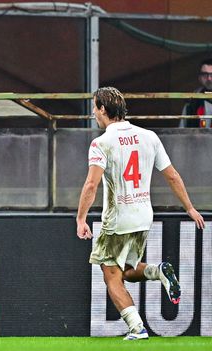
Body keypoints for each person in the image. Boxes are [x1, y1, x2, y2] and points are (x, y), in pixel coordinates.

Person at [76, 87, 205, 340]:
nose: (93, 112)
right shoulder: (149, 136)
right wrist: (189, 207)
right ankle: (159, 271)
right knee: (125, 271)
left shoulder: (101, 143)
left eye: (94, 107)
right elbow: (172, 175)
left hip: (118, 218)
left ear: (103, 109)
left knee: (110, 275)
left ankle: (137, 328)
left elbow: (91, 184)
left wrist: (81, 218)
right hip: (144, 215)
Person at [182, 58, 212, 127]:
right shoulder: (192, 100)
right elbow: (182, 127)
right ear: (199, 77)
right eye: (205, 74)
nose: (209, 79)